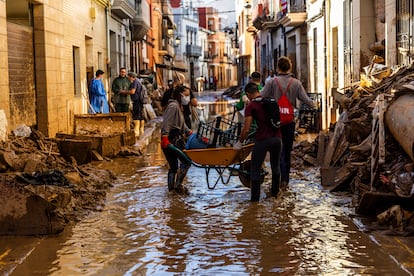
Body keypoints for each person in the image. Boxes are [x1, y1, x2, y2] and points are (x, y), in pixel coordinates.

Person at [261, 56, 316, 189]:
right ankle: (285, 180)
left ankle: (277, 179)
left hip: (274, 123)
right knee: (287, 151)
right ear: (290, 67)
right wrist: (314, 104)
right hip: (289, 122)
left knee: (276, 151)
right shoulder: (296, 83)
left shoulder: (272, 82)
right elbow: (306, 100)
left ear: (277, 68)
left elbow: (262, 97)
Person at [234, 82, 282, 201]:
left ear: (249, 94)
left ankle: (255, 201)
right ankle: (275, 194)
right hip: (277, 139)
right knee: (275, 166)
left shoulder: (252, 106)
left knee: (255, 168)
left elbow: (246, 129)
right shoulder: (271, 101)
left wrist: (239, 142)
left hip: (262, 140)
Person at [160, 85, 193, 193]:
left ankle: (171, 191)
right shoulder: (173, 106)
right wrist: (165, 137)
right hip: (171, 139)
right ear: (181, 94)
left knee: (173, 166)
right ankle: (177, 186)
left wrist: (190, 133)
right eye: (186, 95)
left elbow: (181, 124)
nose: (187, 98)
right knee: (186, 161)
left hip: (174, 137)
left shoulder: (178, 106)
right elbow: (167, 122)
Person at [123, 72, 145, 137]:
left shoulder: (134, 82)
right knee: (140, 115)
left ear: (131, 77)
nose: (128, 78)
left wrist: (124, 92)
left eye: (128, 77)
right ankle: (141, 129)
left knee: (136, 115)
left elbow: (132, 91)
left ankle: (136, 131)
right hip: (140, 101)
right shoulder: (138, 81)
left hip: (137, 100)